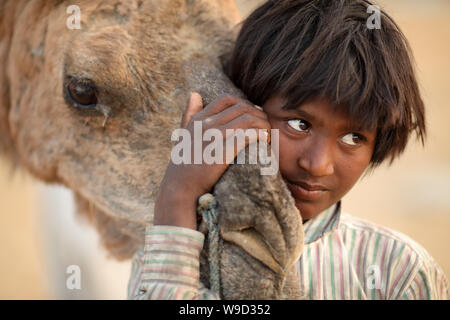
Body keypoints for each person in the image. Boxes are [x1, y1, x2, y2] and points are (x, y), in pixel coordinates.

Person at [128, 0, 449, 299]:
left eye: (353, 138)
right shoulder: (172, 250)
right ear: (241, 104)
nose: (318, 164)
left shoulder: (399, 270)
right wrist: (177, 194)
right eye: (299, 125)